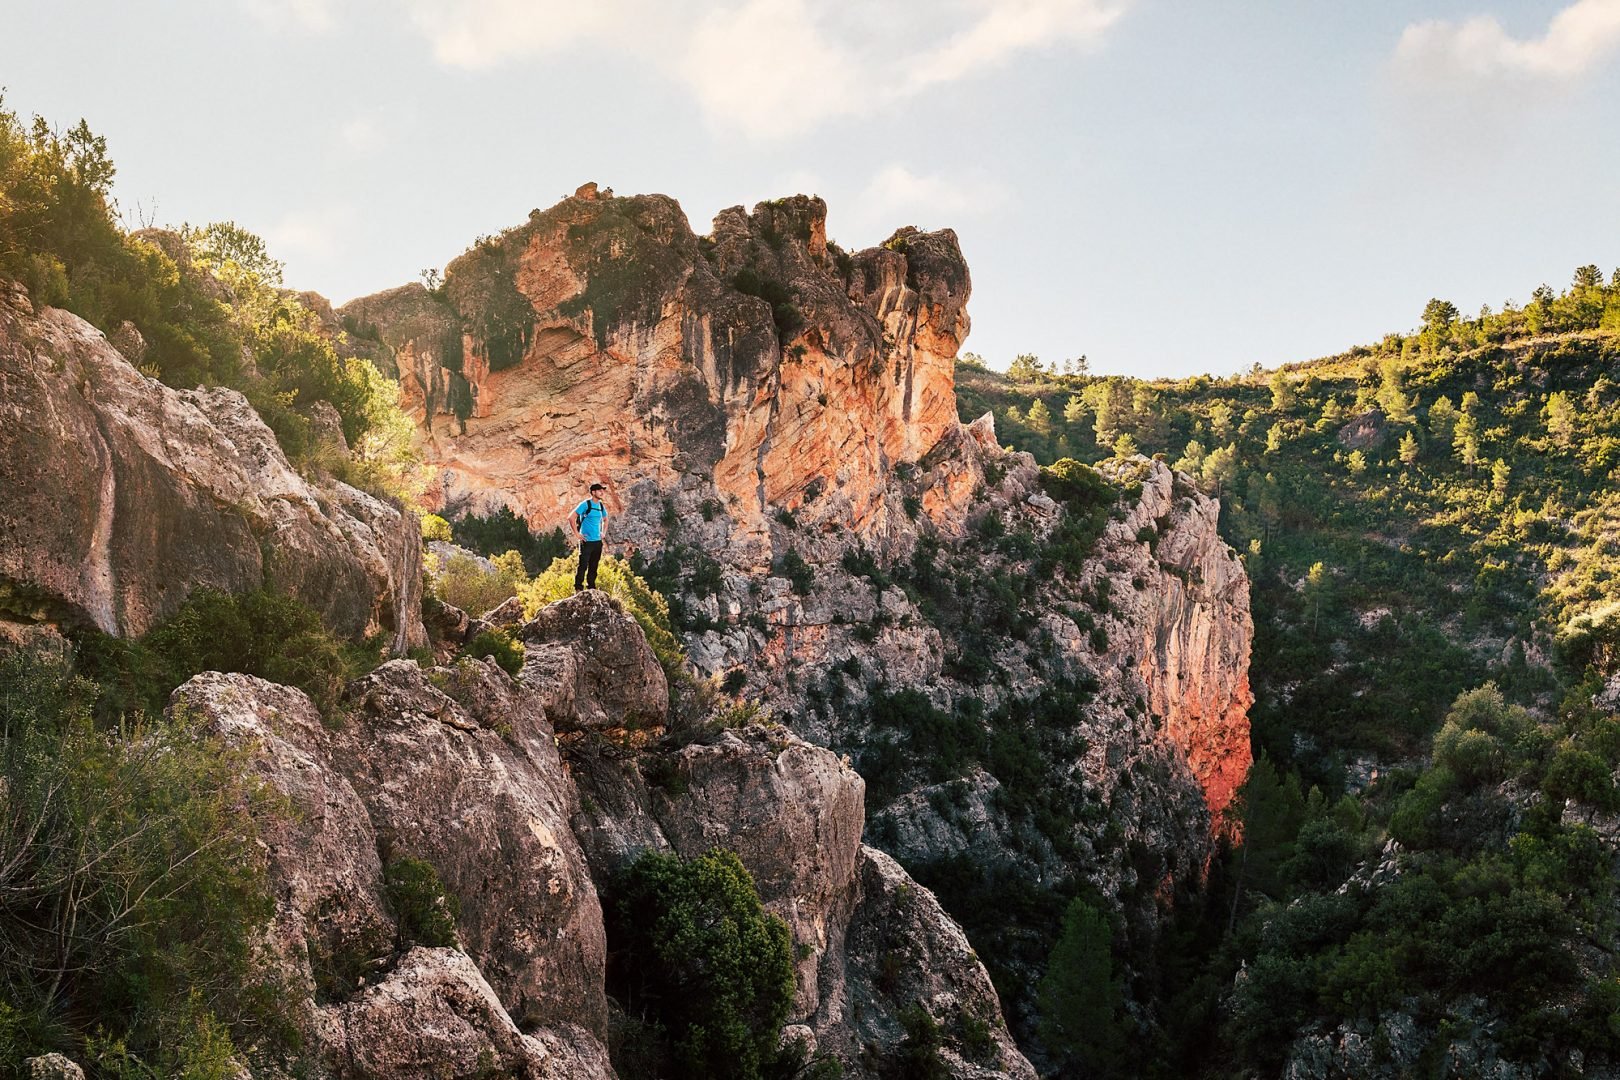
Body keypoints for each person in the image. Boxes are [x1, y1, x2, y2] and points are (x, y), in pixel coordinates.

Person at [572, 482, 609, 592]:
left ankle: (591, 587)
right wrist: (577, 534)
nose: (602, 492)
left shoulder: (601, 505)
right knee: (583, 565)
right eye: (599, 490)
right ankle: (578, 588)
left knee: (594, 566)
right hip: (586, 541)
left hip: (597, 542)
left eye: (602, 490)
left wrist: (603, 532)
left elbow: (606, 519)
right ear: (593, 492)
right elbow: (571, 517)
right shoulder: (586, 504)